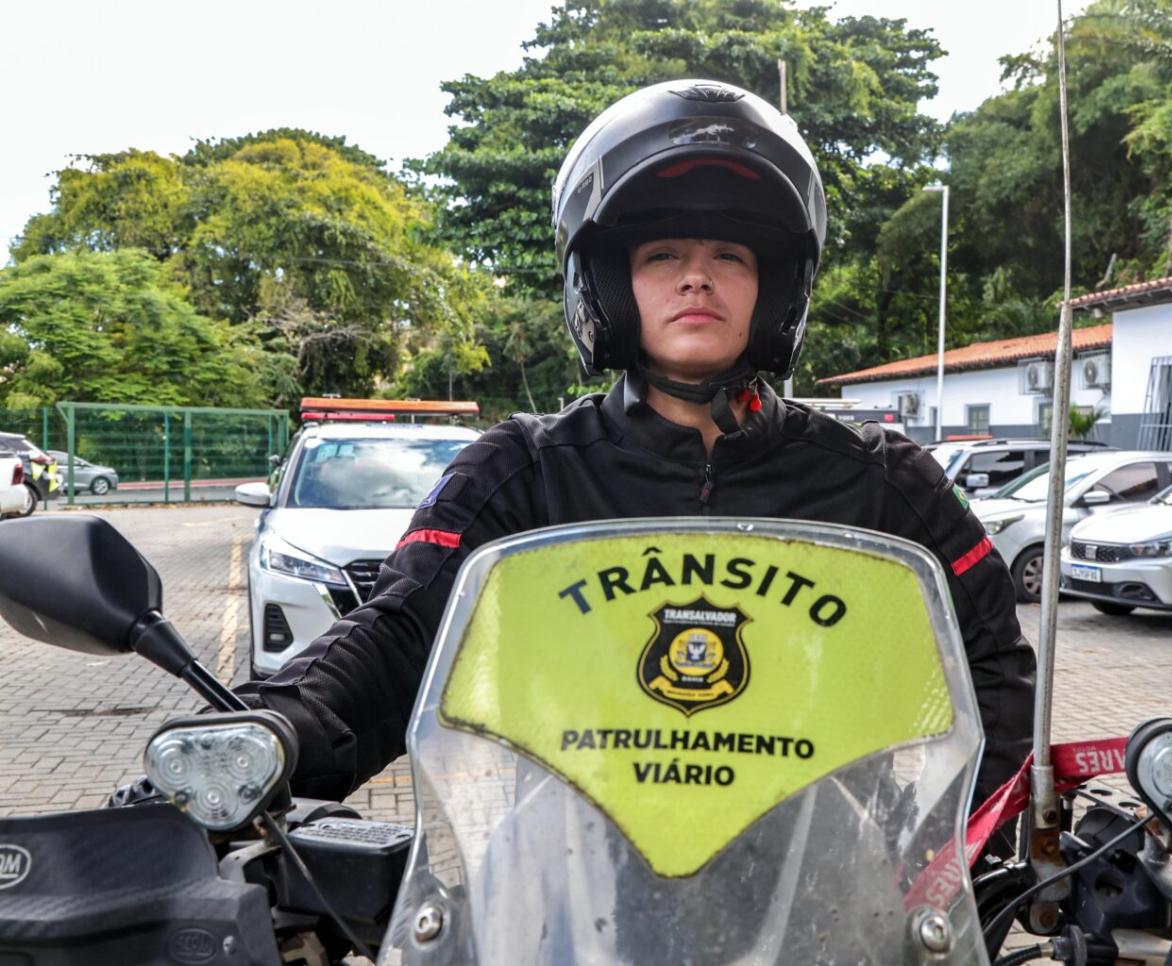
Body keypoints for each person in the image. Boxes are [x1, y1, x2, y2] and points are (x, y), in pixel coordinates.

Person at [238, 78, 1035, 826]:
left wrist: (962, 846)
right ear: (607, 285)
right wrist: (270, 732)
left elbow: (992, 669)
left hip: (828, 880)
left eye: (730, 256)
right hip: (566, 878)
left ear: (776, 289)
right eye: (662, 256)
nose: (697, 279)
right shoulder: (523, 472)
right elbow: (400, 638)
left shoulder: (884, 480)